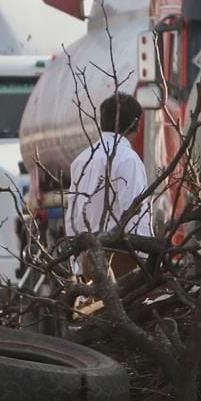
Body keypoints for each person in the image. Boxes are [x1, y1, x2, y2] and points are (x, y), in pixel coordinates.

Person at [66, 92, 150, 281]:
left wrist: (78, 264)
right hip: (121, 259)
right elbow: (134, 216)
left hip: (88, 257)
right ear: (136, 125)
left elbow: (72, 216)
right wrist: (148, 260)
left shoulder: (81, 160)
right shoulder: (128, 159)